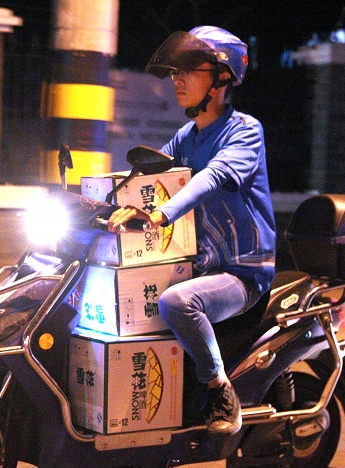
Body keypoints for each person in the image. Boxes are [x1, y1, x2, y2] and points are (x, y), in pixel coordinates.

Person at [107, 25, 276, 434]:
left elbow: (211, 178)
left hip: (242, 272)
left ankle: (221, 391)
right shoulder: (189, 135)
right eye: (174, 71)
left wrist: (159, 214)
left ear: (220, 78)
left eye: (188, 70)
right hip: (203, 265)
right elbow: (152, 174)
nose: (176, 79)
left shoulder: (244, 132)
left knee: (176, 303)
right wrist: (103, 201)